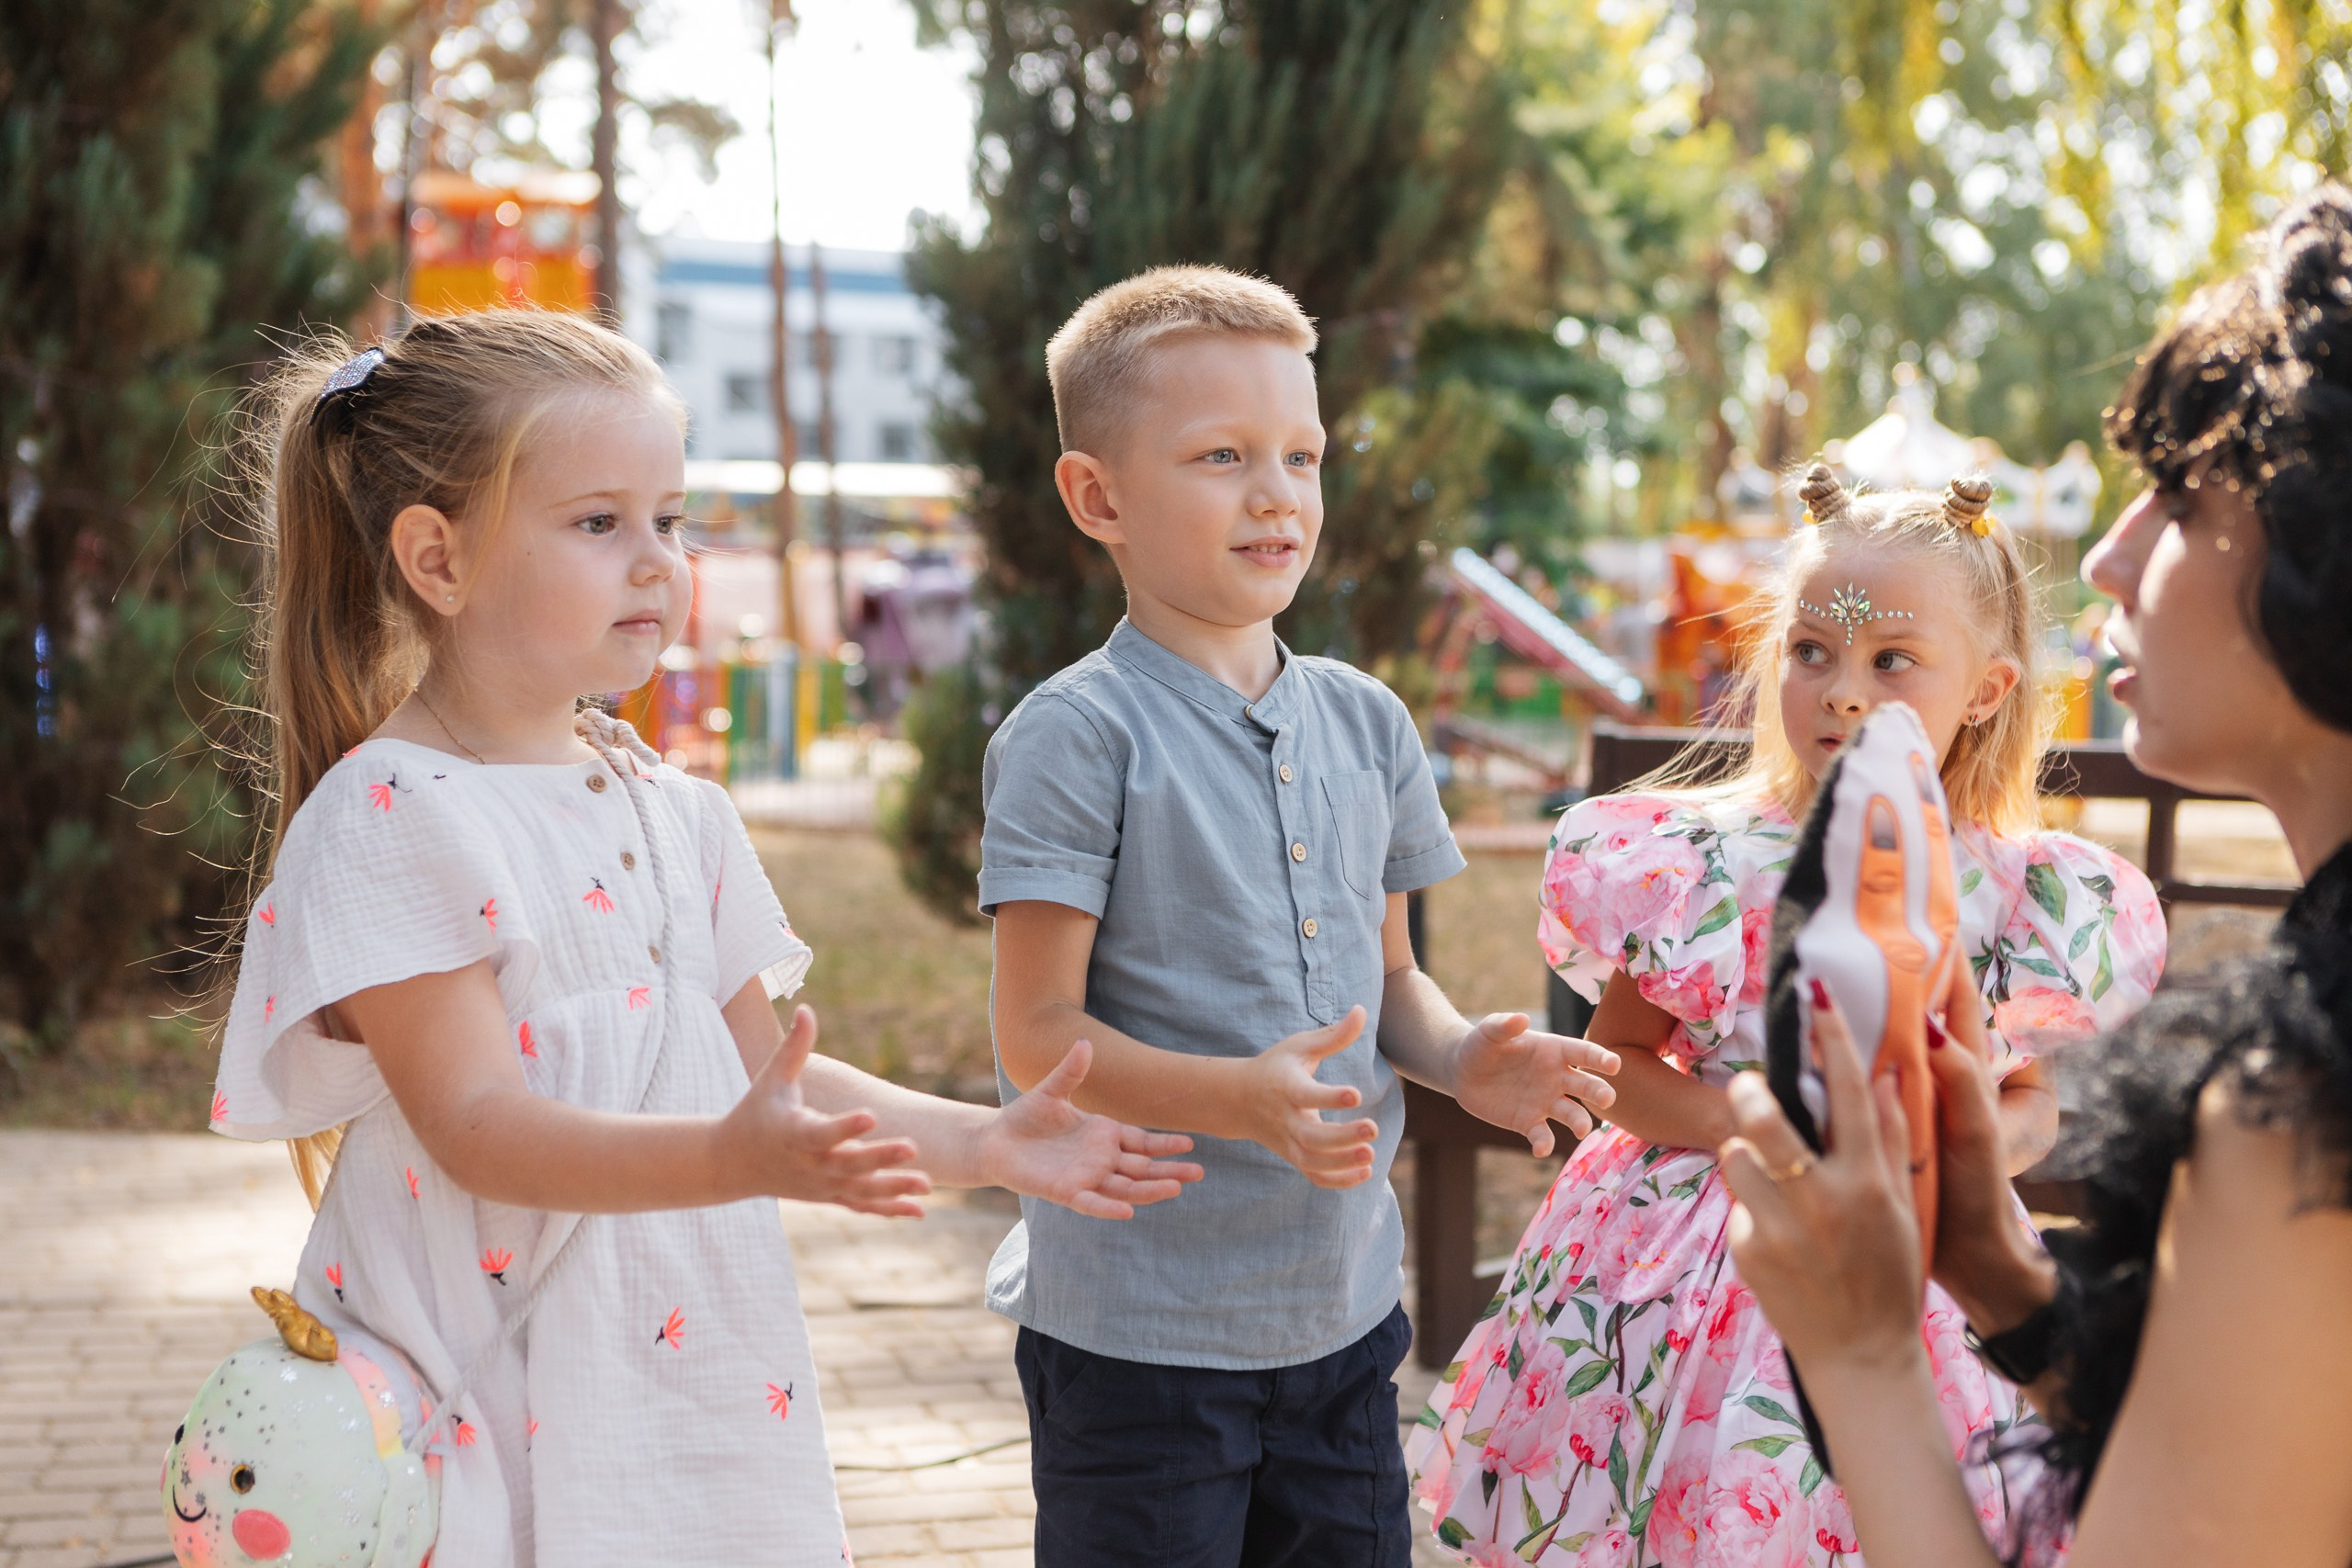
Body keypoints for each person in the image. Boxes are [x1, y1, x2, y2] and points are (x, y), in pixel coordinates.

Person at [198, 310, 1204, 1567]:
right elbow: (479, 1122)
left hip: (683, 1383)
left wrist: (980, 1139)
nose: (656, 561)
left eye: (670, 520)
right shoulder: (395, 815)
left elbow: (765, 1074)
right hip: (485, 1401)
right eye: (597, 521)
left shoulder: (679, 811)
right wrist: (735, 1154)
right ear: (437, 559)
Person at [1717, 186, 2352, 1568]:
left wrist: (1865, 1353)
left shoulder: (2304, 1105)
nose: (2113, 554)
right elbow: (2267, 1455)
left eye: (2179, 496)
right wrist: (2000, 1279)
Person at [979, 265, 1623, 1567]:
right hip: (1140, 1334)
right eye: (1222, 454)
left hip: (1337, 1312)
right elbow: (1033, 1032)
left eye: (1302, 454)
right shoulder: (1077, 734)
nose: (1277, 491)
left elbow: (1390, 978)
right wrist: (1239, 1097)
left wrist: (1459, 1055)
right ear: (1098, 495)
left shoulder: (1367, 719)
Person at [1406, 466, 2167, 1565]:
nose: (1842, 691)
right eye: (1811, 651)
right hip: (1674, 1259)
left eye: (1890, 662)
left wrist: (1947, 1152)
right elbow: (1619, 1056)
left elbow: (2029, 1105)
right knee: (1678, 1507)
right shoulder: (1700, 861)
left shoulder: (2021, 895)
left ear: (1989, 689)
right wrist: (1746, 1127)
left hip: (1902, 1246)